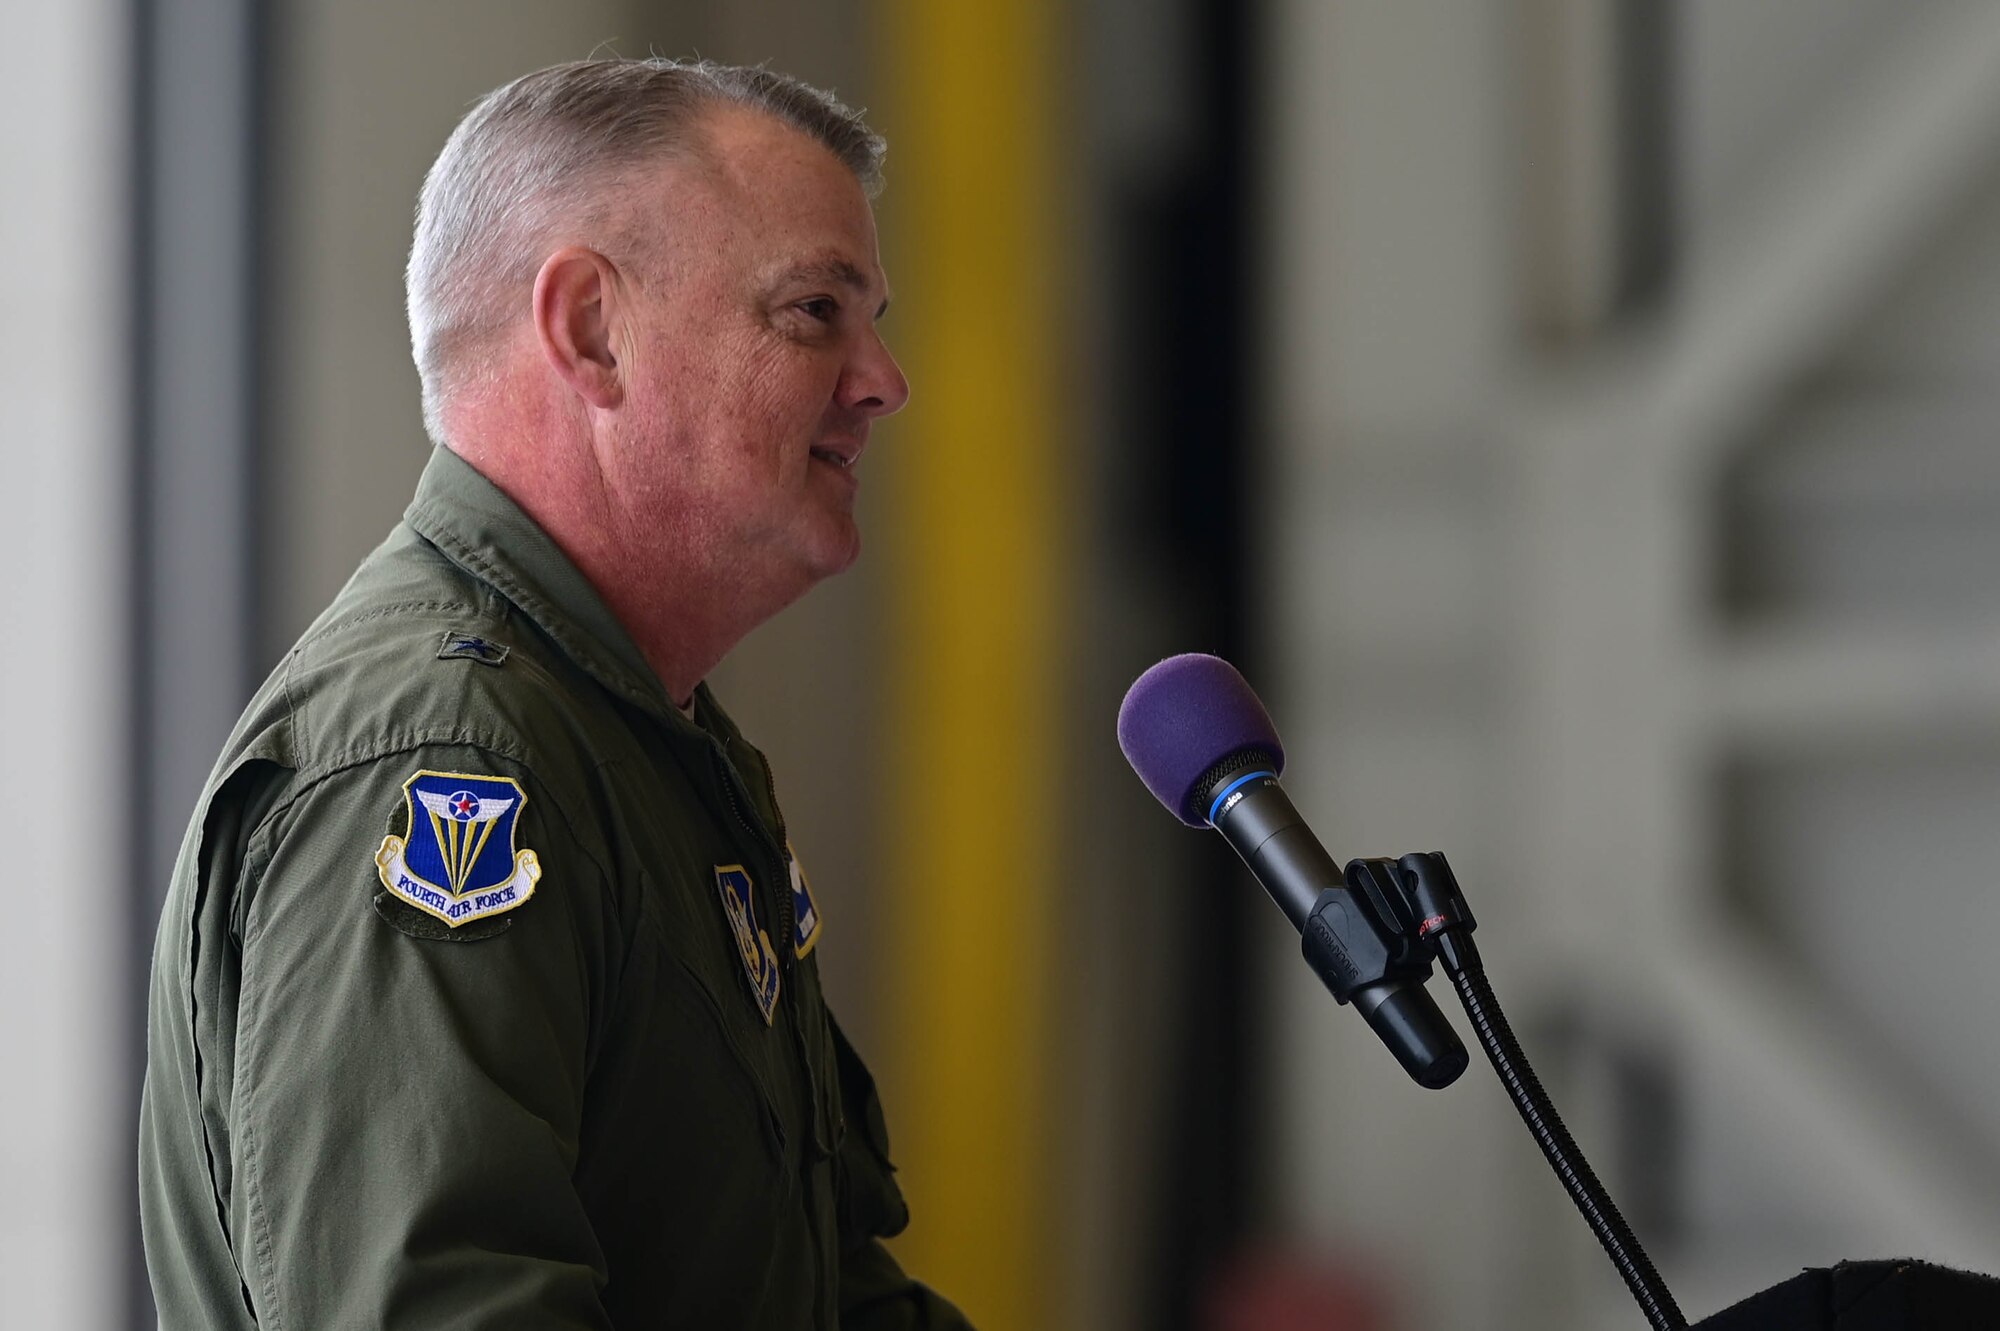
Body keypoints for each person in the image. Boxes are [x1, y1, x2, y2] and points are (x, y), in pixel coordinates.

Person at [139, 57, 972, 1330]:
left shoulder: (630, 739)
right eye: (814, 311)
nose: (882, 380)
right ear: (590, 329)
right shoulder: (451, 759)